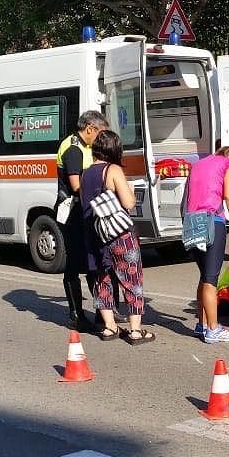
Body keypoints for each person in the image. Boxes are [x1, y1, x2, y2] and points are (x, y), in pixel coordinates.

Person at [80, 130, 154, 344]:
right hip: (119, 235)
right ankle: (135, 330)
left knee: (102, 279)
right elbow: (129, 203)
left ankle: (109, 327)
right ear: (115, 150)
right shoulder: (112, 170)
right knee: (131, 279)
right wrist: (130, 190)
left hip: (95, 234)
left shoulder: (86, 173)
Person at [57, 111, 109, 331]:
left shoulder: (86, 147)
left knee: (93, 262)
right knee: (75, 263)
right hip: (74, 213)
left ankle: (101, 312)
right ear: (90, 128)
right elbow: (77, 185)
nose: (101, 139)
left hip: (86, 210)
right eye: (100, 133)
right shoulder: (73, 149)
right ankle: (76, 315)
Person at [185, 146, 229, 343]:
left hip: (192, 221)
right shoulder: (227, 163)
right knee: (211, 280)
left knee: (204, 277)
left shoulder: (197, 165)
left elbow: (186, 198)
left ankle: (201, 325)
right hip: (212, 221)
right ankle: (213, 329)